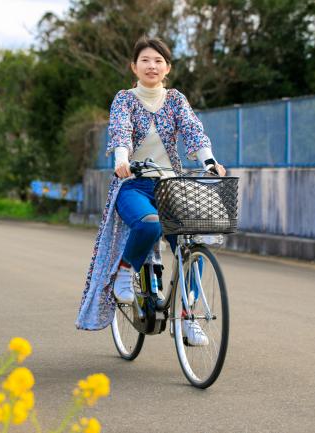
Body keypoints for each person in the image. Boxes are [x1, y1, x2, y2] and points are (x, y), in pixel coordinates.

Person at [75, 36, 226, 345]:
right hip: (134, 185)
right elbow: (121, 131)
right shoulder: (124, 99)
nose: (152, 66)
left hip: (171, 186)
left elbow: (193, 132)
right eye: (145, 60)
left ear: (167, 67)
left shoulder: (175, 100)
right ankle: (124, 272)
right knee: (149, 224)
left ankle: (186, 318)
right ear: (134, 66)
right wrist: (121, 160)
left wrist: (210, 162)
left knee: (192, 246)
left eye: (158, 61)